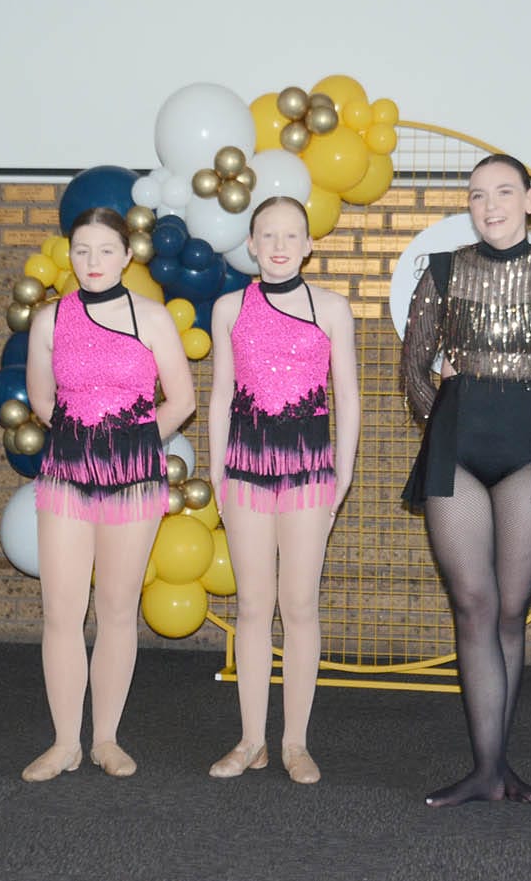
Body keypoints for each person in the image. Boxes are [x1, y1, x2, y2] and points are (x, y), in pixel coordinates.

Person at [400, 153, 531, 807]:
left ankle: (501, 764)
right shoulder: (441, 271)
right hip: (455, 448)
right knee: (475, 605)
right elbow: (412, 373)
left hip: (526, 451)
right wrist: (455, 412)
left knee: (510, 611)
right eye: (478, 194)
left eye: (504, 192)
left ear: (530, 200)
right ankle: (485, 769)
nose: (490, 204)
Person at [21, 207, 196, 782]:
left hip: (133, 479)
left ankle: (105, 739)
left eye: (104, 250)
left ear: (126, 255)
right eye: (81, 250)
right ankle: (64, 741)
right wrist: (82, 436)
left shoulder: (151, 318)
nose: (92, 262)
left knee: (118, 611)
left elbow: (182, 400)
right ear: (70, 256)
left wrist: (131, 440)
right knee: (61, 613)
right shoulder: (49, 320)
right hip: (67, 475)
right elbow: (44, 400)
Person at [206, 196, 360, 785]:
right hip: (245, 471)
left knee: (298, 607)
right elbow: (221, 395)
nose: (277, 245)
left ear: (308, 244)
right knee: (251, 607)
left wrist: (341, 475)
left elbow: (347, 395)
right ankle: (251, 741)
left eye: (289, 235)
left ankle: (294, 742)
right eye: (266, 234)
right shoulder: (228, 308)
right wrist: (219, 473)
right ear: (250, 243)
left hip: (308, 473)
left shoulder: (332, 309)